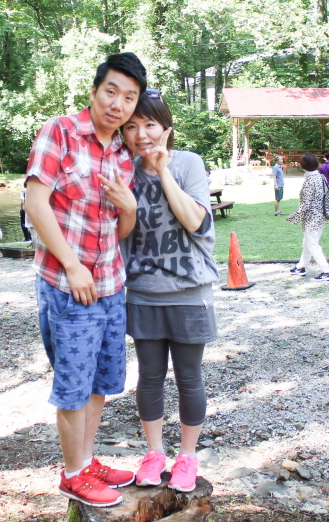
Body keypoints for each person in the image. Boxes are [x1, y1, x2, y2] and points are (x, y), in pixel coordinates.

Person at [24, 52, 145, 508]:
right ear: (94, 91)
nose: (118, 104)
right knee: (73, 385)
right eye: (111, 91)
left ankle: (87, 461)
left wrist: (130, 208)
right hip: (66, 283)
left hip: (111, 285)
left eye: (129, 98)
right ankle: (73, 473)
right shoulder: (60, 132)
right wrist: (73, 266)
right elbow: (35, 204)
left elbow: (119, 230)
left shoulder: (123, 154)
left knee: (99, 382)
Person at [120, 91, 218, 495]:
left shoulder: (188, 163)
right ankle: (155, 452)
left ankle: (188, 456)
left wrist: (162, 171)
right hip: (143, 292)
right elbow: (120, 233)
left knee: (189, 378)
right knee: (149, 377)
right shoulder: (123, 170)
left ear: (166, 127)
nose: (141, 134)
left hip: (189, 291)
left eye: (149, 124)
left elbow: (196, 221)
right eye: (131, 126)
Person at [287, 153, 329, 281]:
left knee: (313, 245)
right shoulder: (321, 177)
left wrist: (293, 217)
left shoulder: (309, 181)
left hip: (311, 219)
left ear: (303, 166)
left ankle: (326, 271)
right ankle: (300, 267)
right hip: (321, 216)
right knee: (307, 243)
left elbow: (305, 204)